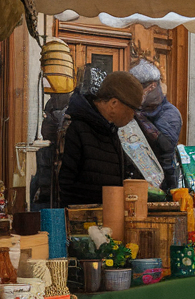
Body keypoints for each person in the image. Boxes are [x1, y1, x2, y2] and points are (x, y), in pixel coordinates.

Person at [57, 71, 144, 205]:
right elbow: (63, 185)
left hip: (108, 218)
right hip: (83, 219)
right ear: (114, 103)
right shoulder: (75, 127)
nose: (133, 116)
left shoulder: (111, 130)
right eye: (132, 109)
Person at [129, 59, 183, 191]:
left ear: (152, 87)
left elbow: (166, 145)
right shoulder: (138, 110)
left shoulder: (170, 113)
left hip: (163, 183)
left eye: (137, 89)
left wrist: (138, 116)